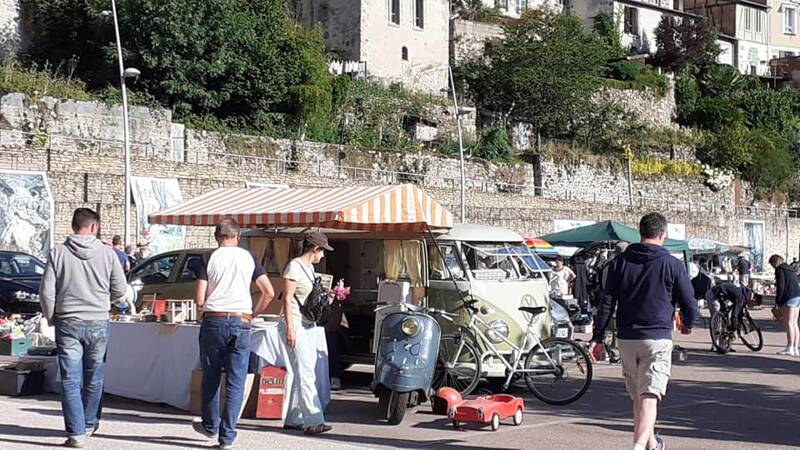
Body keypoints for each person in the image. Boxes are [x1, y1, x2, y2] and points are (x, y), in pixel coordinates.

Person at [589, 213, 698, 450]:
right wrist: (688, 323)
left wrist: (597, 338)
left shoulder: (619, 262)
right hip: (657, 337)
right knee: (650, 397)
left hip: (626, 338)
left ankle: (652, 444)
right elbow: (689, 302)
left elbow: (606, 302)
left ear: (640, 233)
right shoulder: (672, 264)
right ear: (663, 235)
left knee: (638, 397)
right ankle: (638, 446)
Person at [39, 208, 129, 448]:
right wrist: (103, 301)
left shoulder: (57, 253)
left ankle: (76, 432)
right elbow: (121, 290)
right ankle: (89, 423)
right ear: (94, 226)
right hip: (98, 320)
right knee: (94, 376)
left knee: (70, 379)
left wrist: (51, 317)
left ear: (73, 226)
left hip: (67, 321)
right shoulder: (108, 254)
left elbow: (46, 291)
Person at [192, 219, 274, 449]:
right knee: (236, 380)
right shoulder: (249, 258)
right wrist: (252, 314)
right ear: (238, 237)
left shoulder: (208, 258)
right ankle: (227, 436)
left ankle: (210, 426)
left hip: (215, 320)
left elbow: (199, 298)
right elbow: (268, 292)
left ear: (216, 237)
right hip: (242, 320)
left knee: (211, 376)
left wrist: (205, 305)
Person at [281, 232, 334, 434]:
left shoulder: (310, 269)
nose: (323, 255)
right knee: (306, 372)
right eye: (322, 251)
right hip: (295, 323)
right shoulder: (294, 267)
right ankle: (314, 420)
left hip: (307, 324)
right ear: (315, 249)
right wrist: (290, 328)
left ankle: (294, 418)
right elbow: (287, 298)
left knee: (302, 371)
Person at [768, 254, 800, 356]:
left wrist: (778, 302)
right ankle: (795, 347)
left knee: (789, 323)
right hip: (797, 296)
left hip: (789, 298)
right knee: (794, 323)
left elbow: (780, 287)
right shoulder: (790, 269)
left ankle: (790, 347)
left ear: (774, 262)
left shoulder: (780, 270)